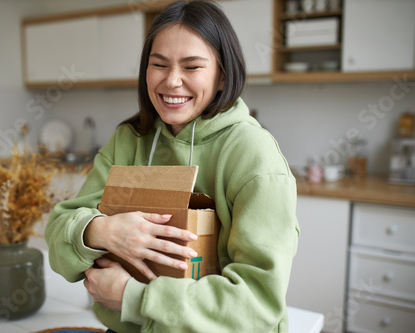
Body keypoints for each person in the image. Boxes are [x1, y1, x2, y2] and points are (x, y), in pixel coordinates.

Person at [45, 1, 299, 332]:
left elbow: (256, 304)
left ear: (222, 76)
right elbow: (57, 234)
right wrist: (101, 230)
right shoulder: (129, 140)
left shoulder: (254, 155)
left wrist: (132, 296)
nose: (172, 81)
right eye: (159, 64)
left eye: (192, 67)